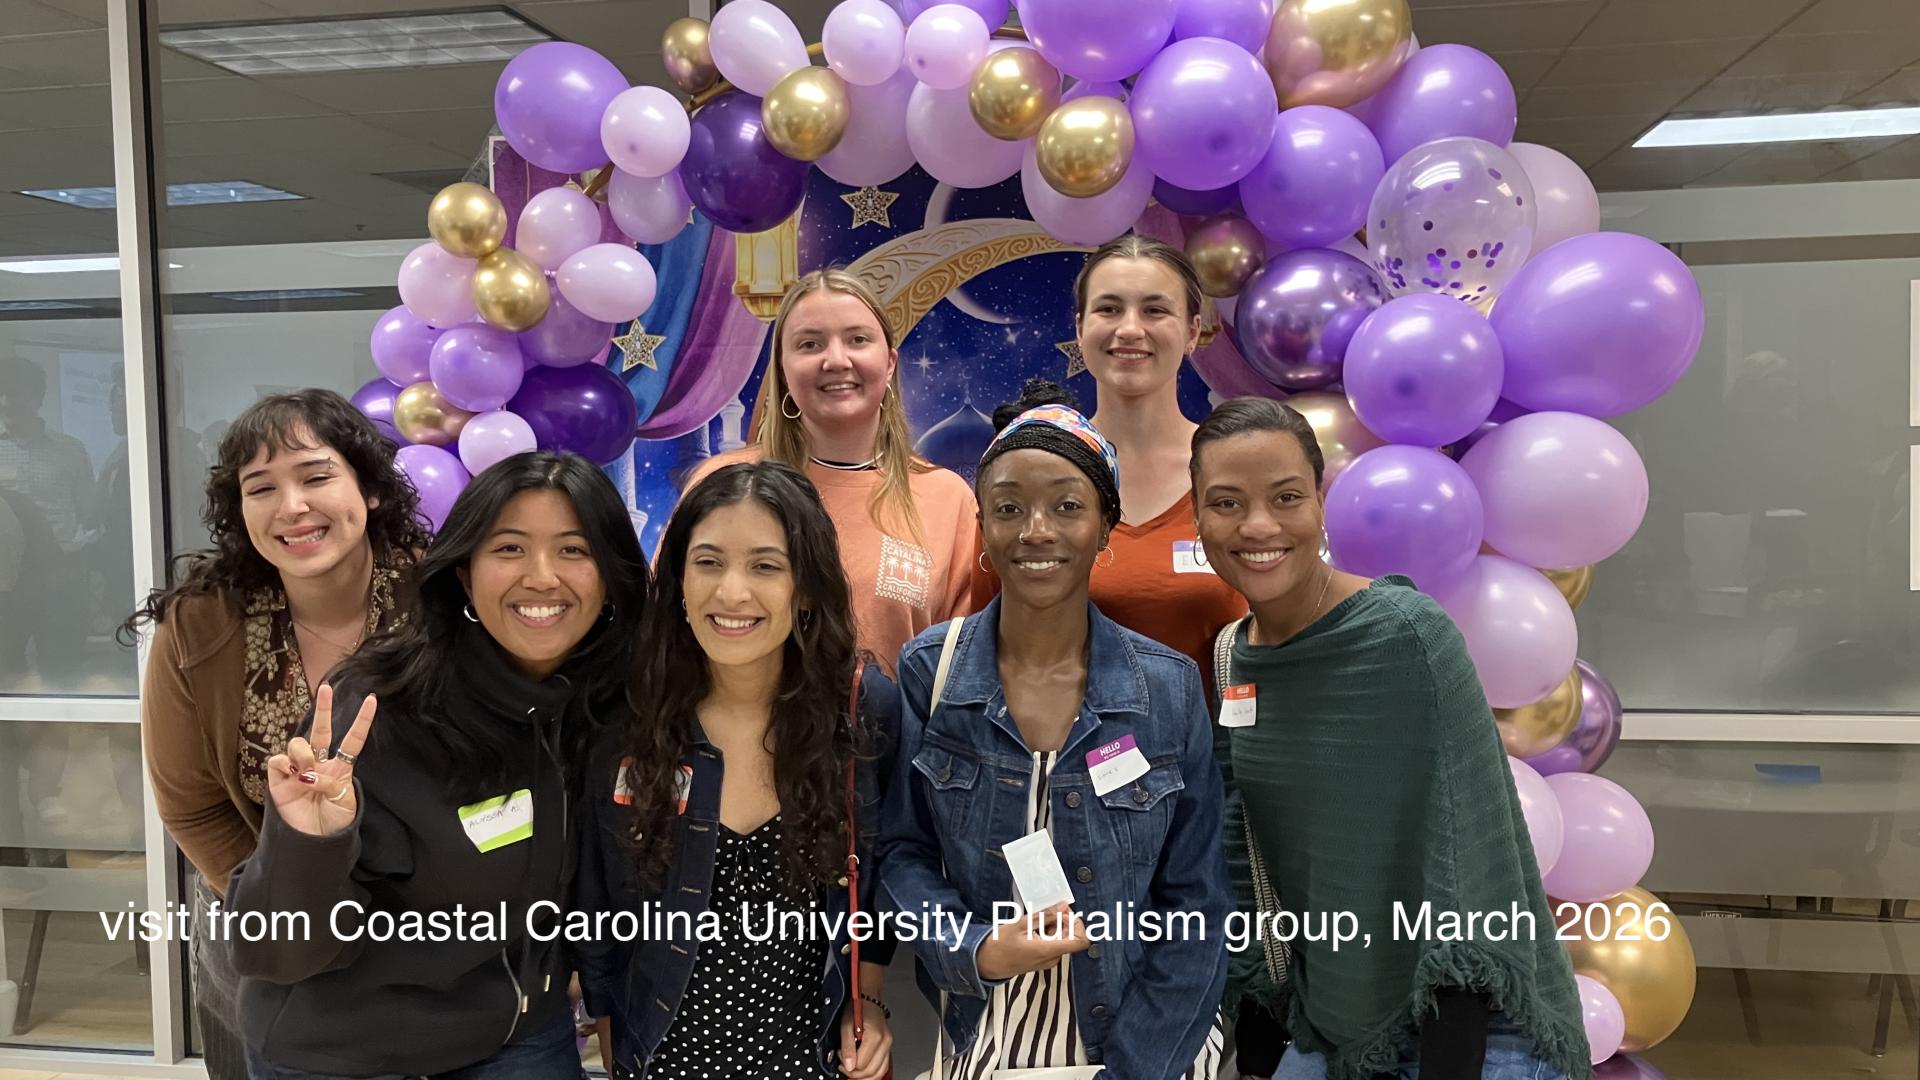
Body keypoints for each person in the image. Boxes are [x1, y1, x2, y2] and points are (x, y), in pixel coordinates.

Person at [1189, 397, 1589, 1080]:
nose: (1258, 525)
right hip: (1331, 1020)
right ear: (1197, 517)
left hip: (1473, 1032)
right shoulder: (1233, 657)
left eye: (1286, 497)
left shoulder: (1406, 635)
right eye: (1226, 503)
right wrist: (1256, 1057)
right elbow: (1249, 866)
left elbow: (1466, 878)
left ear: (1320, 503)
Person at [222, 451, 650, 1080]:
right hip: (346, 1048)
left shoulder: (602, 704)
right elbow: (271, 951)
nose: (542, 577)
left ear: (611, 577)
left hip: (516, 1033)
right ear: (464, 574)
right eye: (509, 548)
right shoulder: (378, 709)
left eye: (574, 550)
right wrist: (309, 845)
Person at [881, 380, 1229, 1080]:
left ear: (1105, 526)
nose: (1036, 530)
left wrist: (1137, 1068)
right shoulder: (931, 673)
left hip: (1146, 1041)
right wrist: (974, 947)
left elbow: (1197, 903)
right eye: (1009, 508)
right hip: (985, 1038)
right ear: (983, 526)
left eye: (1067, 506)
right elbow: (900, 855)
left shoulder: (1167, 688)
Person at [124, 389, 427, 1079]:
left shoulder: (441, 599)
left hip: (436, 930)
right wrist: (286, 909)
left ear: (370, 489)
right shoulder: (201, 624)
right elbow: (193, 805)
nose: (292, 506)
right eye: (261, 488)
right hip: (266, 926)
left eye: (316, 476)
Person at [577, 460, 897, 1080]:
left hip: (812, 1062)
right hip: (661, 1061)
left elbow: (879, 878)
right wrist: (613, 1042)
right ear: (677, 577)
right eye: (709, 562)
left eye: (765, 566)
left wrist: (870, 1002)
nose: (731, 593)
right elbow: (599, 901)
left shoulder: (860, 709)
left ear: (807, 587)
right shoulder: (626, 714)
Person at [975, 236, 1246, 681]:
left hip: (1217, 728)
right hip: (1054, 728)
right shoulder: (1026, 469)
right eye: (1109, 308)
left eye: (1155, 310)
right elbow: (984, 643)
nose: (1130, 329)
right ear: (1080, 329)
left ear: (1193, 331)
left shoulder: (1236, 470)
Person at [684, 269, 977, 669]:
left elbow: (964, 667)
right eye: (810, 344)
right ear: (782, 369)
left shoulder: (947, 498)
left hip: (895, 714)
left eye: (857, 340)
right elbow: (668, 628)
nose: (836, 360)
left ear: (890, 363)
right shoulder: (721, 483)